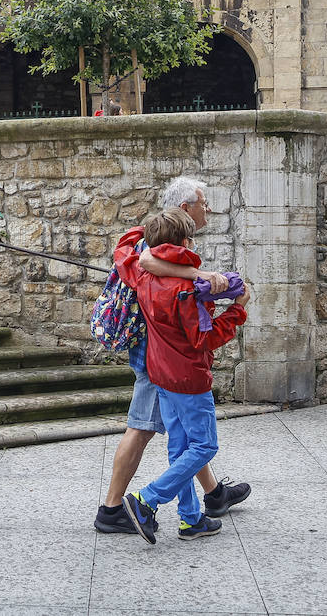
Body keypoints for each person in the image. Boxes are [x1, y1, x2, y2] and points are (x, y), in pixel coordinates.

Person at [95, 176, 251, 534]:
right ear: (185, 212)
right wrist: (233, 307)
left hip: (161, 359)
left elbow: (133, 254)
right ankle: (123, 504)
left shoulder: (147, 266)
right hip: (169, 362)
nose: (208, 208)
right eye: (203, 202)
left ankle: (200, 507)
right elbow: (203, 337)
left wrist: (192, 274)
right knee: (150, 429)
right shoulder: (176, 280)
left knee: (180, 438)